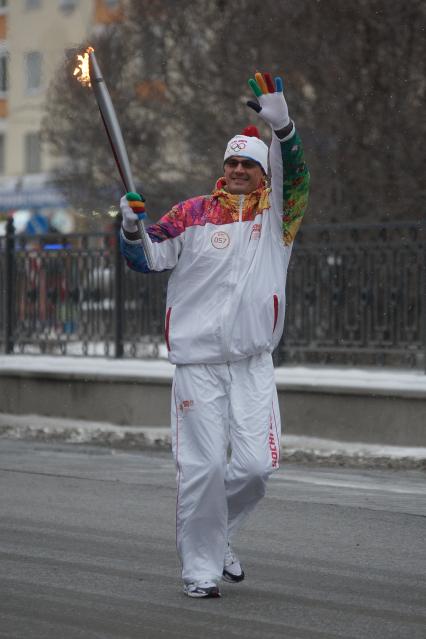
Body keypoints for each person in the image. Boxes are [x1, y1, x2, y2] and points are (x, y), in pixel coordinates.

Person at [119, 71, 310, 598]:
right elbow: (146, 258)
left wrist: (285, 132)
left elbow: (297, 180)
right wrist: (132, 228)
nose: (240, 170)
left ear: (261, 170)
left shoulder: (278, 217)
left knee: (256, 466)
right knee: (201, 471)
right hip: (197, 365)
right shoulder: (191, 214)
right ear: (223, 168)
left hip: (251, 363)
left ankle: (217, 530)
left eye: (250, 162)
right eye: (233, 162)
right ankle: (201, 570)